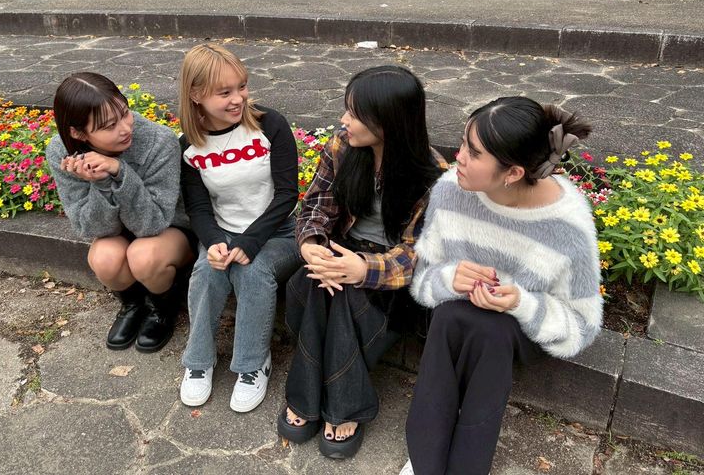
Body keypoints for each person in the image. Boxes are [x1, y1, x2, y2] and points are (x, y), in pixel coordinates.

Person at [400, 97, 603, 475]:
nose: (458, 157)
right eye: (463, 143)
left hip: (517, 333)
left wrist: (521, 303)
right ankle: (429, 458)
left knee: (488, 330)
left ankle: (451, 463)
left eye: (473, 153)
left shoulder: (567, 226)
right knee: (453, 316)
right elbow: (423, 279)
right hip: (454, 321)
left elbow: (582, 325)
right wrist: (448, 278)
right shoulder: (450, 190)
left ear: (512, 173)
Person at [278, 65, 448, 460]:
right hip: (344, 247)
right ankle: (342, 406)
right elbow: (315, 206)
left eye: (355, 114)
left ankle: (309, 401)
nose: (343, 120)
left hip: (393, 274)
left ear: (389, 122)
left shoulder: (433, 175)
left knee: (345, 296)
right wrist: (312, 245)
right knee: (315, 283)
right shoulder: (343, 146)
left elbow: (420, 254)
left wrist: (363, 269)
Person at [177, 43, 300, 413]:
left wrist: (250, 241)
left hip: (279, 232)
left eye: (242, 87)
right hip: (224, 233)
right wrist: (214, 241)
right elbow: (198, 207)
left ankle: (252, 364)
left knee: (253, 270)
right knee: (206, 271)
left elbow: (287, 194)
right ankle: (198, 361)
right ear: (196, 95)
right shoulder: (190, 145)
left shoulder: (269, 125)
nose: (238, 98)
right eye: (224, 92)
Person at [46, 72, 195, 353]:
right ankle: (133, 304)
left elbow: (152, 223)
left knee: (144, 256)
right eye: (109, 126)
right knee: (104, 258)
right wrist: (101, 184)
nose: (125, 128)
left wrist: (119, 171)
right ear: (78, 133)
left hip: (169, 229)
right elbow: (92, 229)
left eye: (125, 113)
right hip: (118, 230)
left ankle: (162, 308)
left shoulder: (157, 141)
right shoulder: (62, 152)